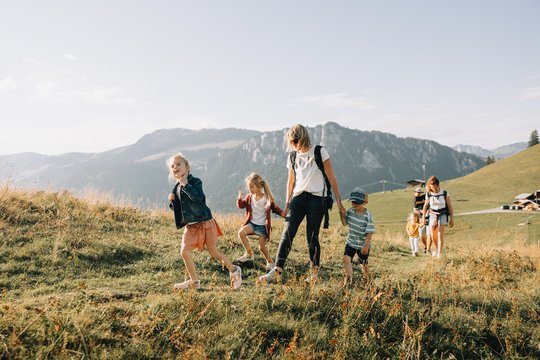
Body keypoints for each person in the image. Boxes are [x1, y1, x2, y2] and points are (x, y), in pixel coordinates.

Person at [259, 124, 345, 284]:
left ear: (303, 137)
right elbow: (290, 181)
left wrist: (339, 202)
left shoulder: (320, 151)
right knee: (287, 233)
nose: (293, 144)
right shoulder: (292, 156)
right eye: (291, 141)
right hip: (298, 198)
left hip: (317, 198)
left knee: (312, 236)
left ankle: (314, 274)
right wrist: (286, 204)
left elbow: (332, 177)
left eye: (296, 140)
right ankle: (277, 271)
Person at [167, 153, 242, 290]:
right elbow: (179, 209)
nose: (175, 167)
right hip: (191, 226)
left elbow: (198, 198)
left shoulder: (195, 182)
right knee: (184, 252)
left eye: (178, 164)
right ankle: (194, 282)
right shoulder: (176, 188)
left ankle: (235, 271)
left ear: (187, 168)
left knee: (213, 252)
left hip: (205, 223)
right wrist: (172, 202)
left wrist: (186, 185)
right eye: (172, 166)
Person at [236, 173, 284, 270]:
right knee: (241, 233)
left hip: (262, 226)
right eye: (249, 187)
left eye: (252, 187)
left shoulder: (266, 198)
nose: (249, 189)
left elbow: (275, 208)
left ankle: (270, 262)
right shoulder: (250, 197)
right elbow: (242, 206)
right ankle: (249, 254)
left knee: (261, 247)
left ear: (259, 186)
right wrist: (239, 199)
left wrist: (283, 214)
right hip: (252, 224)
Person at [340, 190, 375, 286]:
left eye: (358, 203)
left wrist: (366, 246)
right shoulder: (350, 212)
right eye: (353, 202)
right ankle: (349, 280)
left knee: (363, 263)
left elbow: (370, 232)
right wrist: (342, 215)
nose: (354, 204)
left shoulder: (367, 215)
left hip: (363, 244)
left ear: (365, 203)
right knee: (346, 259)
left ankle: (366, 279)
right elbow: (344, 223)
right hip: (351, 242)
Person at [422, 176, 454, 258]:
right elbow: (425, 206)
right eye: (432, 187)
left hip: (442, 214)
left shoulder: (444, 193)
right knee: (433, 236)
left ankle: (439, 253)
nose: (434, 189)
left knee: (440, 234)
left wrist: (452, 219)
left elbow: (450, 206)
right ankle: (437, 248)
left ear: (438, 185)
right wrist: (423, 219)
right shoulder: (429, 194)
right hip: (432, 215)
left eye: (435, 187)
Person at [413, 187, 429, 253]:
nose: (418, 193)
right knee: (422, 234)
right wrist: (423, 201)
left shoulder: (423, 196)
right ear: (415, 192)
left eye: (419, 192)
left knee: (428, 234)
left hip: (426, 216)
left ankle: (427, 247)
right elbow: (416, 204)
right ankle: (426, 246)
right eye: (417, 192)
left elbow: (427, 195)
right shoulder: (415, 198)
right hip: (420, 217)